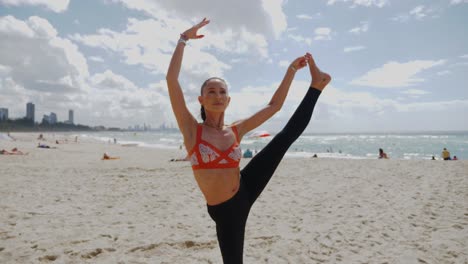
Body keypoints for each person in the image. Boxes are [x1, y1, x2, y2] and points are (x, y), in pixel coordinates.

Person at [166, 18, 331, 264]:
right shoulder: (192, 130)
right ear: (201, 100)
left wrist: (291, 70)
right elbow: (172, 80)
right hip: (226, 212)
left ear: (229, 100)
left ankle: (317, 86)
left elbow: (274, 106)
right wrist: (183, 39)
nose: (217, 96)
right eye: (211, 92)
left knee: (284, 138)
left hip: (246, 186)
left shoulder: (236, 129)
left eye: (222, 92)